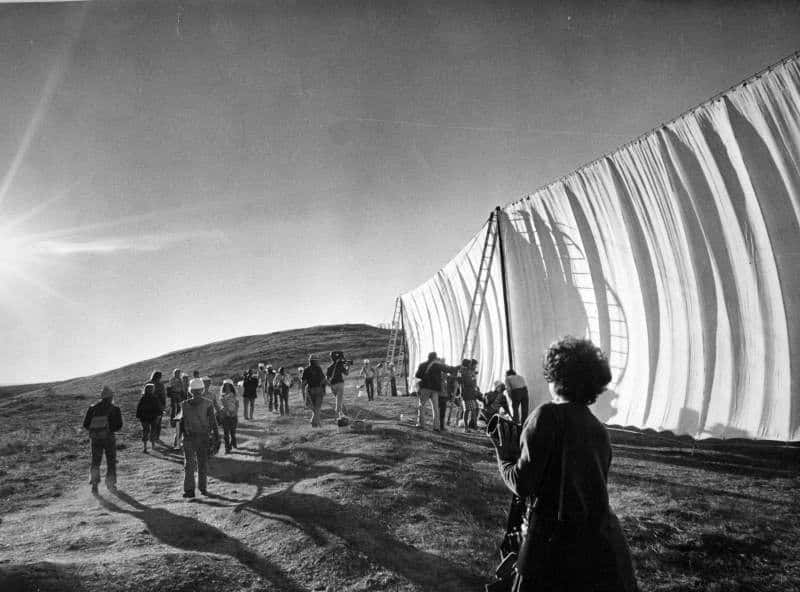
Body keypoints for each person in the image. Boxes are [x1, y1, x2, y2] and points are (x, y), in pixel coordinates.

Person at [491, 337, 638, 592]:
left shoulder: (546, 416)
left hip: (552, 548)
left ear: (555, 377)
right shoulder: (598, 429)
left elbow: (522, 484)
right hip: (598, 545)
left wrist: (504, 456)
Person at [82, 385, 123, 493]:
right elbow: (119, 425)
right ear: (111, 397)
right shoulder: (115, 409)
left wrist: (95, 429)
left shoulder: (92, 408)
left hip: (95, 438)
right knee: (111, 460)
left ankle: (94, 485)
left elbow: (86, 424)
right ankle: (111, 484)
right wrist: (110, 429)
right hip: (109, 438)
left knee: (95, 461)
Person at [180, 382, 216, 498]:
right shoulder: (207, 403)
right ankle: (200, 488)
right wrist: (216, 437)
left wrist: (178, 438)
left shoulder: (184, 404)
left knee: (191, 464)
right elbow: (213, 422)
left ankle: (192, 490)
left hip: (192, 437)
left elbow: (179, 422)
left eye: (197, 391)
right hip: (199, 437)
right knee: (200, 463)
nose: (196, 393)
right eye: (196, 391)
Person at [414, 353, 459, 431]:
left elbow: (418, 375)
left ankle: (421, 424)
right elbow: (447, 369)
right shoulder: (437, 365)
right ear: (434, 358)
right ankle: (436, 427)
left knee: (422, 406)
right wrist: (457, 367)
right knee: (435, 408)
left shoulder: (423, 365)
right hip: (435, 389)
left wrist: (425, 377)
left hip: (425, 388)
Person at [302, 354, 328, 427]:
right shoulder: (318, 368)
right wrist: (327, 386)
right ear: (316, 361)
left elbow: (303, 383)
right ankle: (315, 423)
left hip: (310, 390)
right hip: (318, 389)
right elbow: (323, 380)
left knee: (314, 409)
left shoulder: (306, 370)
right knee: (317, 409)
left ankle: (316, 424)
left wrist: (304, 394)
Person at [136, 383, 162, 453]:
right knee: (153, 431)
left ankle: (145, 447)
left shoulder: (143, 398)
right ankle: (153, 446)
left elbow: (139, 408)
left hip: (144, 418)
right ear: (152, 390)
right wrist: (159, 414)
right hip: (153, 417)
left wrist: (138, 416)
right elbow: (158, 407)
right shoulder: (155, 398)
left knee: (145, 431)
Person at [326, 351, 349, 418]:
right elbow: (346, 373)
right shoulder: (340, 365)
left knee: (339, 400)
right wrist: (348, 366)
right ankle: (338, 417)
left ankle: (345, 414)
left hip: (332, 386)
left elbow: (327, 379)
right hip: (340, 384)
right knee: (339, 401)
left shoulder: (329, 368)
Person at [218, 379, 239, 454]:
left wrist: (235, 412)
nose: (227, 387)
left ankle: (233, 443)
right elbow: (224, 405)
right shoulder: (222, 396)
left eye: (228, 386)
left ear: (231, 386)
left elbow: (237, 404)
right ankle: (227, 447)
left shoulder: (235, 395)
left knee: (233, 432)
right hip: (225, 416)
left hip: (233, 415)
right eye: (225, 386)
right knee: (226, 433)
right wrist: (227, 412)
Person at [459, 358, 480, 431]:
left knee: (470, 410)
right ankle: (472, 426)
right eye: (471, 364)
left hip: (469, 394)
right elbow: (469, 382)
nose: (474, 366)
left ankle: (470, 426)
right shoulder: (465, 372)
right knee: (471, 410)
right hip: (468, 394)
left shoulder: (465, 371)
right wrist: (473, 381)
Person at [149, 371, 166, 441]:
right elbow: (163, 395)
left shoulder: (148, 383)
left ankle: (154, 437)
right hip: (158, 406)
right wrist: (163, 405)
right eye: (159, 377)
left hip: (153, 405)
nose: (160, 378)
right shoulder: (160, 384)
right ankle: (156, 437)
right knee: (157, 423)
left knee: (153, 422)